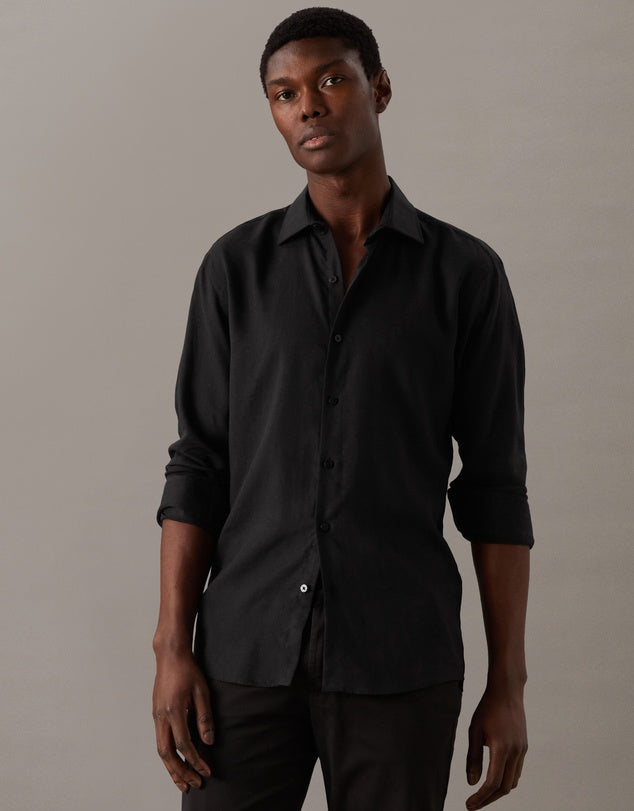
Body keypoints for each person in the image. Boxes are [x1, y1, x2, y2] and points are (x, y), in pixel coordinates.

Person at [151, 7, 534, 811]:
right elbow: (199, 464)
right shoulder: (235, 270)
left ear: (379, 88)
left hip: (399, 659)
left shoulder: (465, 276)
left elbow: (495, 487)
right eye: (284, 93)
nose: (309, 106)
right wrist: (171, 647)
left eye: (330, 80)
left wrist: (508, 682)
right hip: (244, 656)